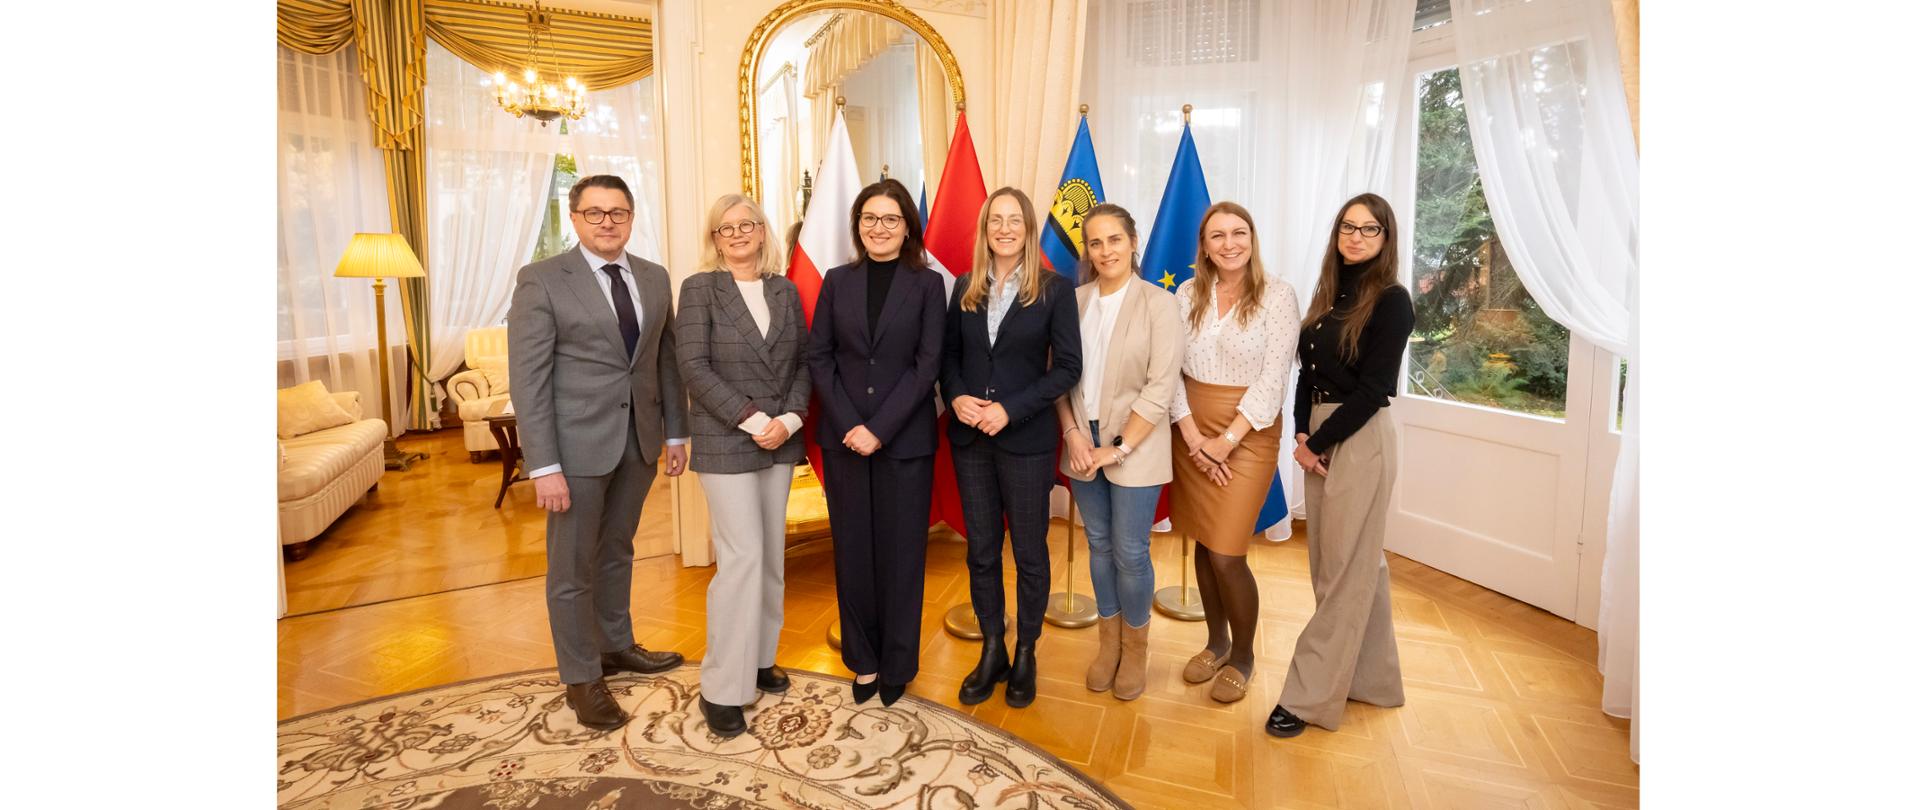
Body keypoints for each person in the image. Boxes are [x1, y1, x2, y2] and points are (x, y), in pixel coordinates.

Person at [508, 175, 690, 731]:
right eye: (595, 212)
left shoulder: (654, 277)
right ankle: (581, 677)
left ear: (631, 218)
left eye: (618, 212)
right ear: (575, 218)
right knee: (571, 567)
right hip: (574, 451)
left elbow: (664, 360)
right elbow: (529, 381)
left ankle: (615, 645)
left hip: (639, 442)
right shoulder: (542, 280)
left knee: (617, 550)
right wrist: (543, 465)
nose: (607, 222)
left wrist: (676, 433)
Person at [1266, 193, 1412, 738]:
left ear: (1385, 238)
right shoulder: (1329, 297)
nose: (1356, 236)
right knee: (1346, 563)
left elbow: (1375, 389)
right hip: (1322, 434)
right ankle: (1373, 680)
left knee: (1345, 568)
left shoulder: (1392, 301)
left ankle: (1307, 697)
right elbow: (1307, 375)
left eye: (1369, 229)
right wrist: (1302, 432)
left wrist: (1318, 441)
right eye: (1348, 227)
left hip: (1360, 435)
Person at [804, 179, 947, 707]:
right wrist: (851, 425)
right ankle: (863, 660)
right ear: (857, 225)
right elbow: (820, 356)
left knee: (902, 555)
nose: (879, 228)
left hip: (904, 442)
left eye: (890, 219)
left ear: (907, 227)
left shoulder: (928, 285)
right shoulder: (836, 280)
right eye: (869, 218)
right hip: (844, 439)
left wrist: (879, 428)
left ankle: (898, 663)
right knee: (852, 552)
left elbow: (927, 366)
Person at [675, 194, 809, 738]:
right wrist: (754, 419)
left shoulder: (785, 289)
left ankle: (758, 659)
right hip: (728, 439)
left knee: (771, 555)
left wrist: (791, 419)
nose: (736, 234)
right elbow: (693, 367)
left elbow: (802, 363)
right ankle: (722, 688)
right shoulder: (699, 289)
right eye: (724, 228)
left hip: (780, 440)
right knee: (742, 557)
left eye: (745, 224)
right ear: (714, 238)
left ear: (761, 230)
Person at [942, 187, 1082, 708]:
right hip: (970, 440)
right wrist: (956, 396)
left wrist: (1010, 409)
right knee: (981, 550)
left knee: (1028, 552)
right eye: (995, 220)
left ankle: (1026, 651)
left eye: (1014, 220)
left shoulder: (1054, 289)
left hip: (1025, 440)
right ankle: (993, 647)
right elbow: (948, 357)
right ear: (984, 229)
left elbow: (1067, 368)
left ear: (1028, 229)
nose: (1004, 229)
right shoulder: (965, 286)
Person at [1167, 201, 1301, 705]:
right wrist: (1192, 437)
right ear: (1204, 246)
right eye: (1217, 235)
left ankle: (1242, 655)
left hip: (1250, 432)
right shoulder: (1186, 294)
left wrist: (1225, 442)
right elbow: (1169, 369)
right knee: (1204, 542)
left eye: (1238, 233)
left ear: (1252, 238)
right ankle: (1215, 642)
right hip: (1191, 429)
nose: (1229, 244)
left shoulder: (1278, 295)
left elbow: (1275, 377)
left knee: (1227, 552)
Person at [1054, 203, 1184, 701]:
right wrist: (1072, 433)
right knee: (1099, 545)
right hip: (1081, 443)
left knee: (1130, 552)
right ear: (1086, 251)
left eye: (1114, 239)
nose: (1105, 250)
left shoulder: (1159, 304)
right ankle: (1108, 645)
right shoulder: (1073, 301)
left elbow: (1160, 387)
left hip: (1137, 445)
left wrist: (1120, 447)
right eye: (1095, 242)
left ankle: (1135, 649)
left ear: (1133, 243)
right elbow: (1060, 377)